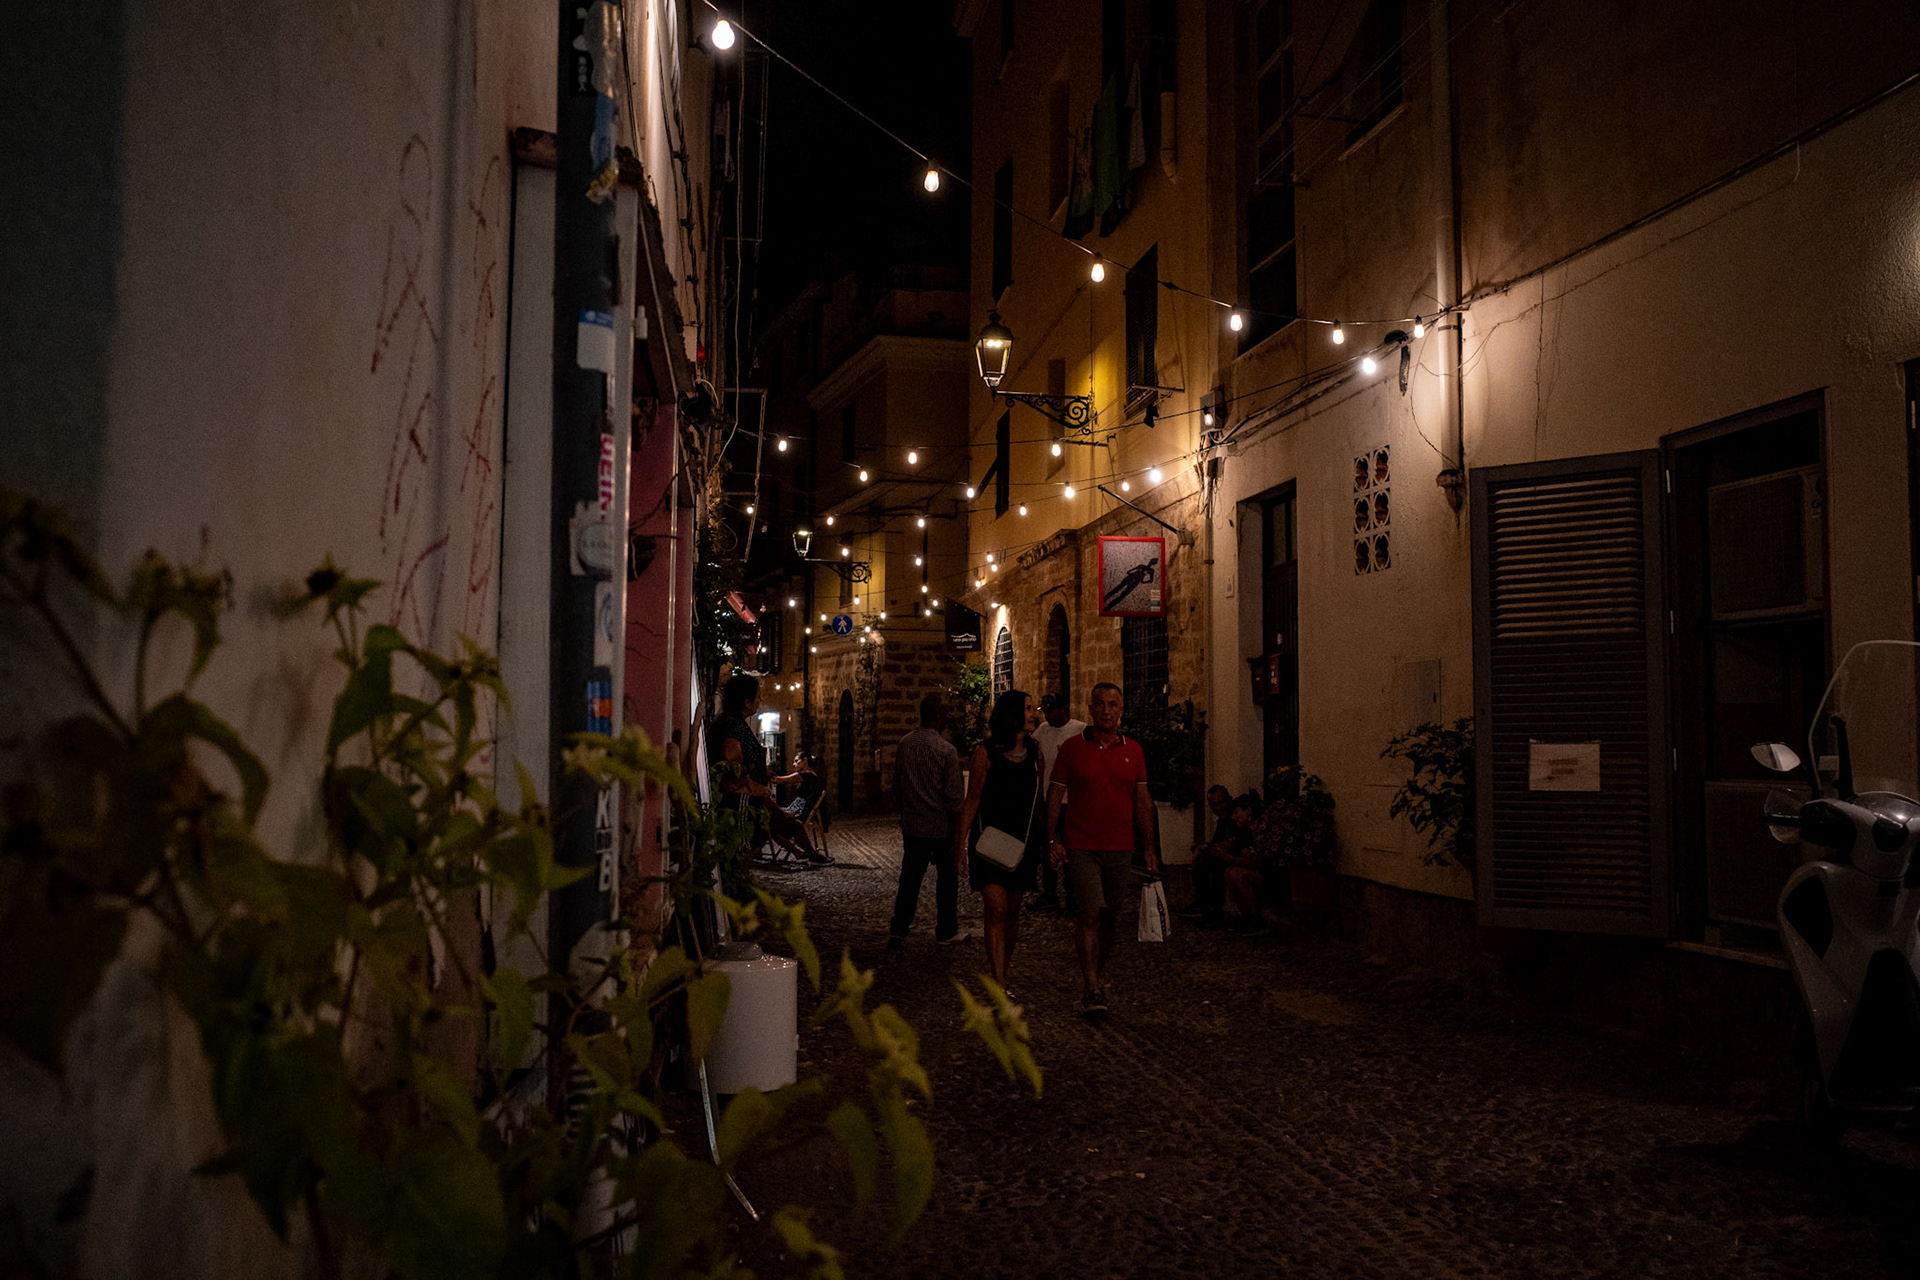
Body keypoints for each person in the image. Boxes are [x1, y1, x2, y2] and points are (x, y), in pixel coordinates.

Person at [1046, 682, 1158, 1023]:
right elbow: (1055, 795)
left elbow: (1142, 800)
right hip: (1082, 845)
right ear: (1091, 709)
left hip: (1121, 846)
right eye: (1100, 705)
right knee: (1090, 912)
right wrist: (1051, 839)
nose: (1106, 710)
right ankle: (1092, 985)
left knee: (1109, 917)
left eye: (1112, 705)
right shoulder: (1071, 749)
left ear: (1120, 710)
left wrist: (1150, 846)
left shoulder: (1134, 751)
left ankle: (1096, 972)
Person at [953, 688, 1046, 989]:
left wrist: (1047, 842)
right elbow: (972, 800)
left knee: (1014, 910)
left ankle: (1003, 970)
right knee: (997, 909)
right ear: (1012, 714)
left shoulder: (1036, 754)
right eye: (1029, 708)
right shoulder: (986, 752)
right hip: (989, 843)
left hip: (1022, 844)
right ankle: (998, 982)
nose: (1034, 714)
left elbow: (1037, 801)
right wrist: (961, 846)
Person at [711, 673, 831, 865]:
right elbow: (733, 765)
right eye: (758, 696)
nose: (761, 700)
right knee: (738, 855)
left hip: (747, 801)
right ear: (747, 702)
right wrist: (755, 787)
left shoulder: (734, 723)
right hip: (740, 803)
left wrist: (761, 772)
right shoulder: (733, 726)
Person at [889, 695, 967, 949]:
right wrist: (959, 834)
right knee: (947, 882)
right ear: (939, 717)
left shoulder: (905, 745)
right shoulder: (947, 751)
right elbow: (955, 798)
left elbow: (898, 786)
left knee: (909, 880)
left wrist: (905, 814)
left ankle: (899, 929)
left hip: (914, 826)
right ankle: (946, 929)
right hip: (940, 827)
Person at [1029, 693, 1087, 913]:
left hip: (1071, 800)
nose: (1048, 715)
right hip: (1048, 797)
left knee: (1072, 849)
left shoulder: (1079, 730)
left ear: (1062, 709)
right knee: (1048, 845)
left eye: (1051, 711)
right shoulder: (1043, 730)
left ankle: (1073, 894)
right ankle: (1050, 892)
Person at [1177, 785, 1236, 925]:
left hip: (1236, 858)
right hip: (1224, 857)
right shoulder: (1222, 821)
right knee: (1204, 858)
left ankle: (1213, 909)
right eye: (1214, 804)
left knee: (1212, 862)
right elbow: (1218, 842)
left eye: (1221, 802)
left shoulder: (1234, 818)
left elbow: (1232, 843)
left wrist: (1206, 848)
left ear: (1229, 800)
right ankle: (1201, 904)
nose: (1218, 807)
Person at [1220, 792, 1272, 935]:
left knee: (1237, 874)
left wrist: (1229, 858)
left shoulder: (1261, 829)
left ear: (1248, 811)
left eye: (1236, 812)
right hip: (1259, 872)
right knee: (1230, 872)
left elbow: (1256, 862)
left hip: (1271, 875)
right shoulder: (1244, 831)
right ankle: (1247, 916)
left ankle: (1256, 919)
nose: (1233, 817)